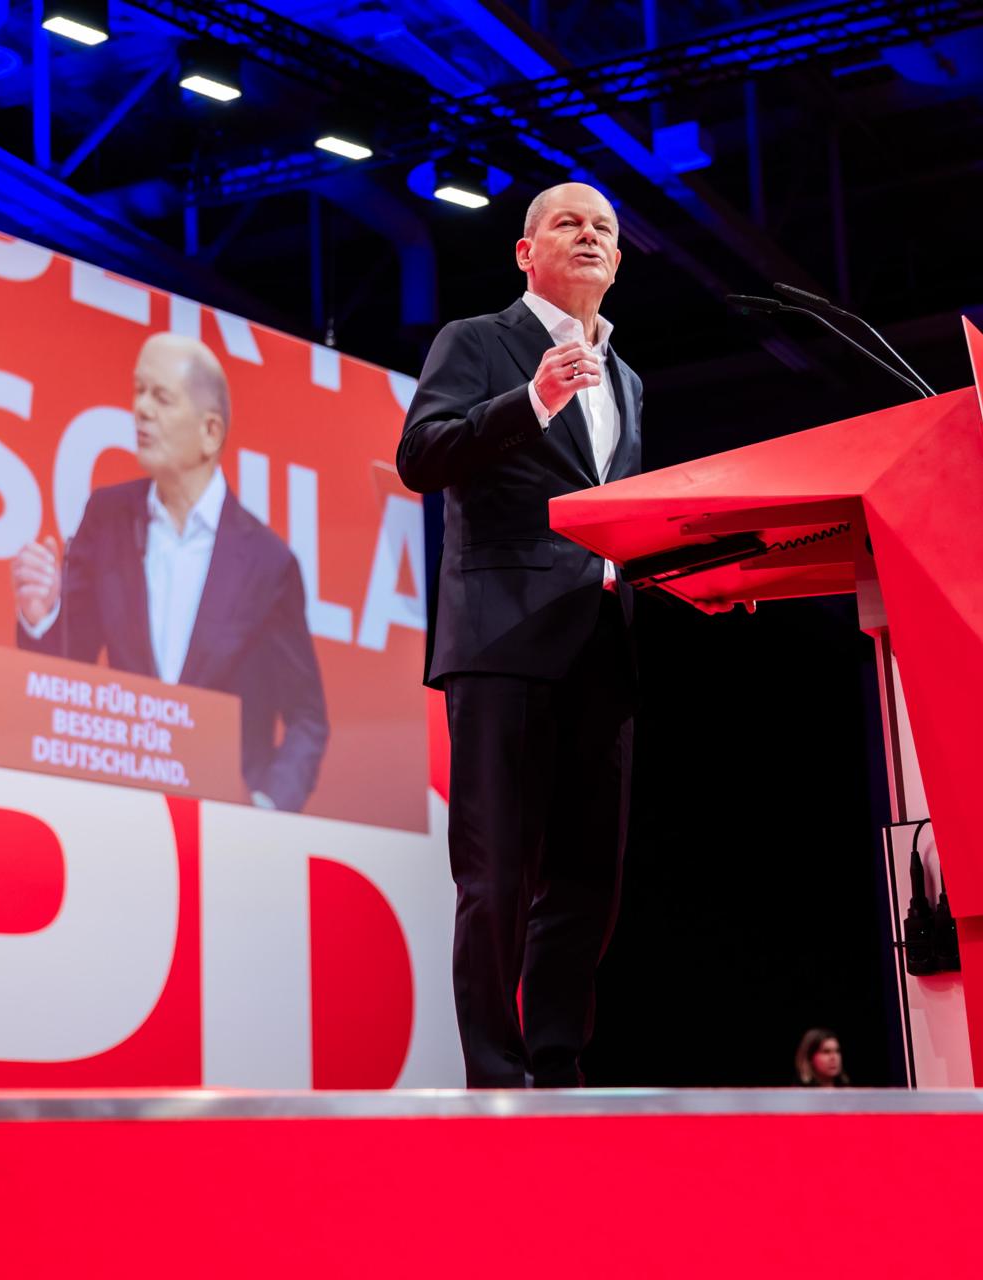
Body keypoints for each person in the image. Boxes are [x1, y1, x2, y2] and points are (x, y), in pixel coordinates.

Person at [397, 182, 643, 1087]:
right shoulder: (478, 341)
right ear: (524, 252)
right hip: (502, 641)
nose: (589, 236)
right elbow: (421, 456)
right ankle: (495, 1080)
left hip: (600, 644)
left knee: (589, 881)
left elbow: (614, 510)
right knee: (497, 877)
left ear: (617, 263)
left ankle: (557, 1064)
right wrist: (531, 401)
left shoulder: (628, 377)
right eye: (568, 223)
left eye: (604, 229)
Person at [13, 331, 329, 812]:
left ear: (210, 433)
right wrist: (42, 616)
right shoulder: (107, 517)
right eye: (138, 391)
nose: (140, 409)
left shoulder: (269, 562)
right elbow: (65, 671)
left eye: (160, 397)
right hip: (119, 807)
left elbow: (307, 717)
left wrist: (268, 808)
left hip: (226, 827)